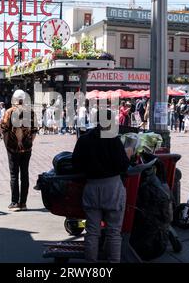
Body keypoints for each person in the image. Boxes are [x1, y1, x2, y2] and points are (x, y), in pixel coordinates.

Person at [72, 108, 132, 263]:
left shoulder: (84, 139)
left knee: (92, 231)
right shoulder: (113, 139)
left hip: (91, 187)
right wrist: (128, 155)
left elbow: (76, 164)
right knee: (113, 232)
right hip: (112, 188)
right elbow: (123, 165)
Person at [1, 90, 38, 211]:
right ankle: (23, 203)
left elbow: (4, 129)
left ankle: (14, 202)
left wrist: (8, 143)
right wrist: (29, 143)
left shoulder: (9, 112)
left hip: (12, 148)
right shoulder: (31, 112)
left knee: (14, 175)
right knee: (25, 174)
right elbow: (34, 131)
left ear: (14, 100)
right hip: (27, 149)